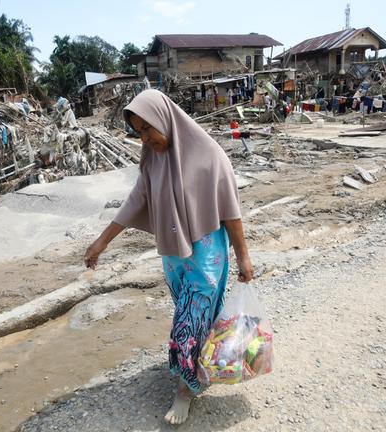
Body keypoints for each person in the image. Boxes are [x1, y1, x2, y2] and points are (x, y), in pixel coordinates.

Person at [83, 89, 253, 425]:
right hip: (174, 258)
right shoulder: (152, 159)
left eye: (147, 128)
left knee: (187, 324)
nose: (144, 138)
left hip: (206, 256)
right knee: (195, 319)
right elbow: (134, 202)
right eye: (138, 132)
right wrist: (101, 242)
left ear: (164, 119)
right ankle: (207, 364)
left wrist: (244, 258)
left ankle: (186, 391)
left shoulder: (209, 154)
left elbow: (231, 212)